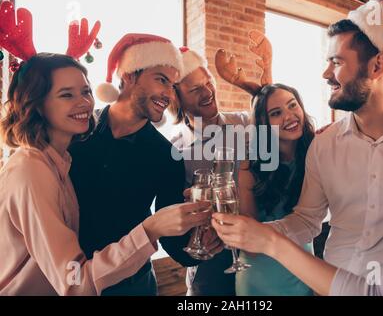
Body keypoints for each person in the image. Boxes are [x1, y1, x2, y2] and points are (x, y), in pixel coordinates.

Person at [212, 0, 383, 287]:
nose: (326, 74)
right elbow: (306, 220)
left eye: (336, 62)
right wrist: (256, 232)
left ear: (377, 65)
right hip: (330, 286)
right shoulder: (324, 144)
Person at [0, 52, 210, 295]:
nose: (83, 102)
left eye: (86, 92)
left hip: (130, 283)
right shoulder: (35, 166)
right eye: (66, 94)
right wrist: (150, 229)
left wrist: (198, 246)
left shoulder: (61, 158)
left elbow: (175, 240)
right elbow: (74, 281)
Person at [69, 34, 212, 295]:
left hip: (131, 285)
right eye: (161, 80)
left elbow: (170, 235)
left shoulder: (166, 154)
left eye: (172, 85)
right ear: (129, 75)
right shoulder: (76, 133)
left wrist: (199, 247)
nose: (169, 94)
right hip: (65, 276)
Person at [168, 47, 250, 296]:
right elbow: (173, 212)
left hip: (256, 250)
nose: (207, 92)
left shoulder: (246, 123)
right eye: (195, 89)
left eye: (208, 82)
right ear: (177, 100)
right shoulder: (174, 149)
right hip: (210, 263)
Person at [236, 83, 315, 296]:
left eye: (292, 105)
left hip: (306, 268)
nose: (289, 116)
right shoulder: (249, 167)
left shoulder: (316, 152)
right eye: (276, 113)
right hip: (261, 275)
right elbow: (250, 244)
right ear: (263, 123)